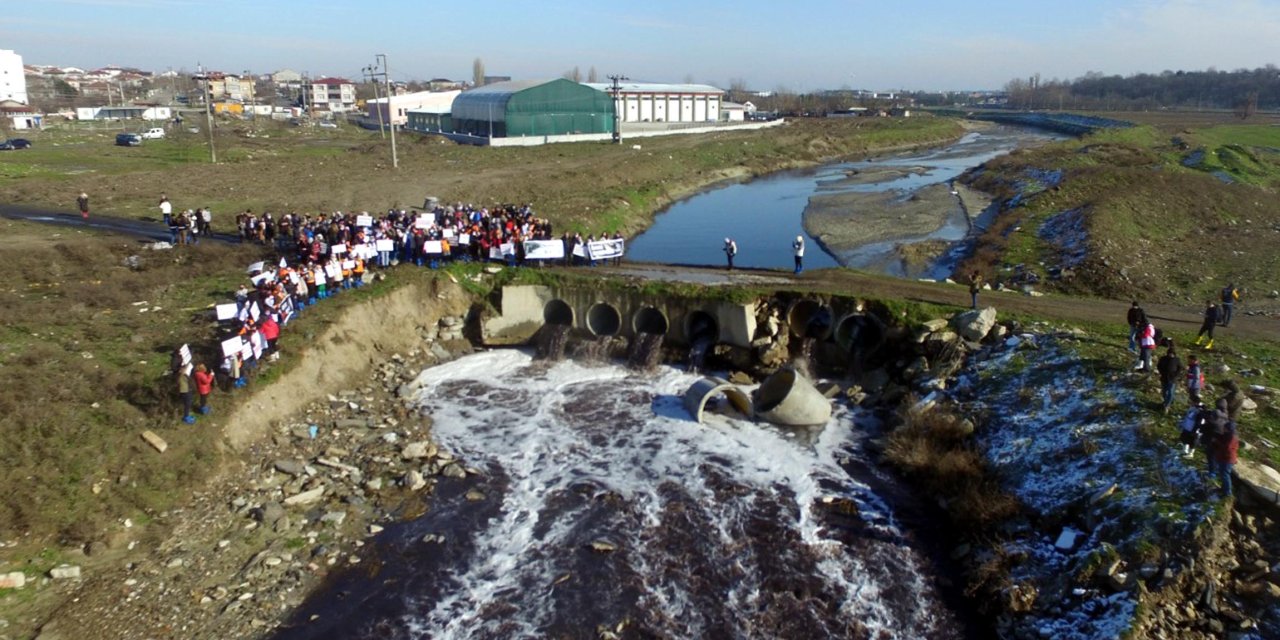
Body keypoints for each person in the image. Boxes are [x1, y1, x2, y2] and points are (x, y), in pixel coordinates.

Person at [1204, 400, 1238, 497]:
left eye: (1225, 428)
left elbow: (1227, 447)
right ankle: (1224, 489)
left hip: (1227, 459)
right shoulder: (1229, 435)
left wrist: (1216, 441)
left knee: (1225, 475)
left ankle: (1227, 492)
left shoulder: (1232, 437)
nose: (1223, 429)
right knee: (1224, 474)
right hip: (1225, 458)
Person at [1156, 343, 1183, 414]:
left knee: (1170, 392)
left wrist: (1176, 374)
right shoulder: (1163, 359)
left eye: (1172, 354)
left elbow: (1180, 368)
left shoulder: (1177, 360)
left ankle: (1167, 406)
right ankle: (1166, 401)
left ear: (1174, 354)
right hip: (1164, 378)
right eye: (1169, 353)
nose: (1170, 355)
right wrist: (1161, 372)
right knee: (1164, 392)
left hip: (1172, 379)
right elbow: (1158, 366)